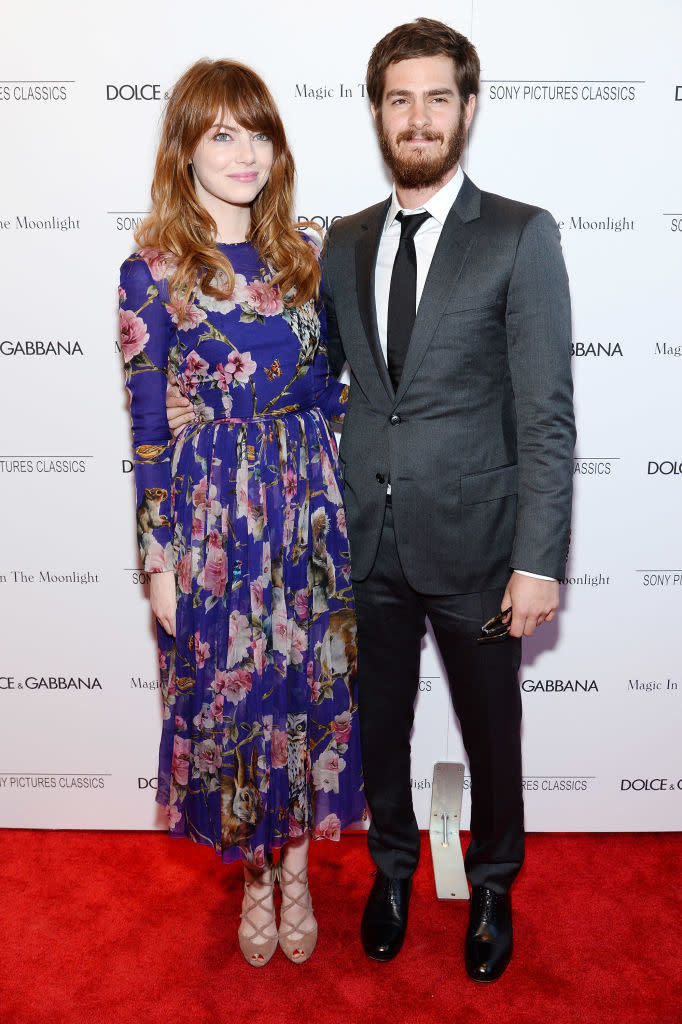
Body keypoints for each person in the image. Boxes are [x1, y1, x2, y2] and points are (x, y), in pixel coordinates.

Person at [167, 20, 576, 982]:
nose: (419, 117)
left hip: (477, 542)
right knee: (374, 726)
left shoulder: (522, 234)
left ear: (467, 109)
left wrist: (539, 556)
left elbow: (547, 411)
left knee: (492, 732)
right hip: (354, 540)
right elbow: (316, 384)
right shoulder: (339, 242)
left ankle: (492, 887)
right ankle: (390, 874)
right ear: (379, 113)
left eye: (438, 97)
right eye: (400, 99)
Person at [119, 58, 364, 968]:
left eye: (257, 132)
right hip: (214, 517)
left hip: (306, 504)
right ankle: (257, 880)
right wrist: (158, 560)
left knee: (308, 697)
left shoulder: (310, 253)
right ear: (185, 148)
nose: (245, 153)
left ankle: (298, 873)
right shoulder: (152, 269)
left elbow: (333, 387)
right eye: (222, 133)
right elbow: (147, 428)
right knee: (235, 709)